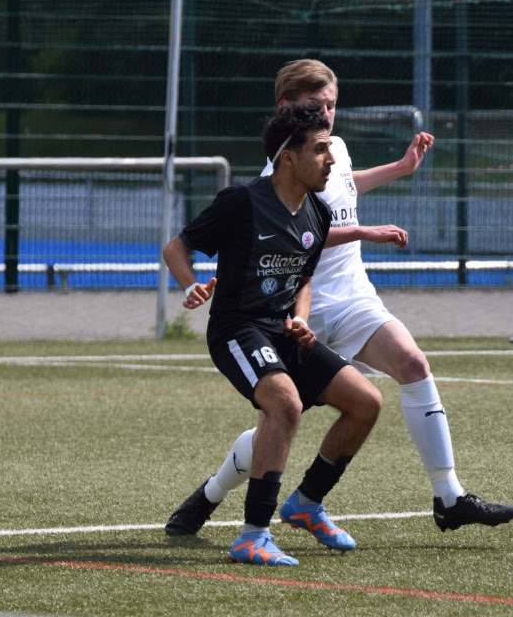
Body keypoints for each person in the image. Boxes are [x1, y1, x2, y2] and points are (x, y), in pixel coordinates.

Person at [166, 59, 513, 540]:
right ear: (287, 108)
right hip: (295, 305)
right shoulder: (283, 166)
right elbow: (301, 231)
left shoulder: (332, 150)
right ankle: (211, 495)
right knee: (280, 417)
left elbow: (345, 188)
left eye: (332, 105)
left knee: (412, 365)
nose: (327, 115)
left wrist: (401, 168)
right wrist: (362, 231)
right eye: (317, 106)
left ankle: (448, 495)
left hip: (348, 296)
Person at [161, 100, 382, 566]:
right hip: (237, 328)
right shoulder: (242, 202)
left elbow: (303, 280)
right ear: (288, 158)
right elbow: (176, 247)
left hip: (283, 331)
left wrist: (301, 318)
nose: (331, 159)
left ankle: (307, 503)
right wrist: (190, 285)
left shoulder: (318, 214)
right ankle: (253, 536)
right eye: (320, 149)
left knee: (366, 402)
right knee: (285, 405)